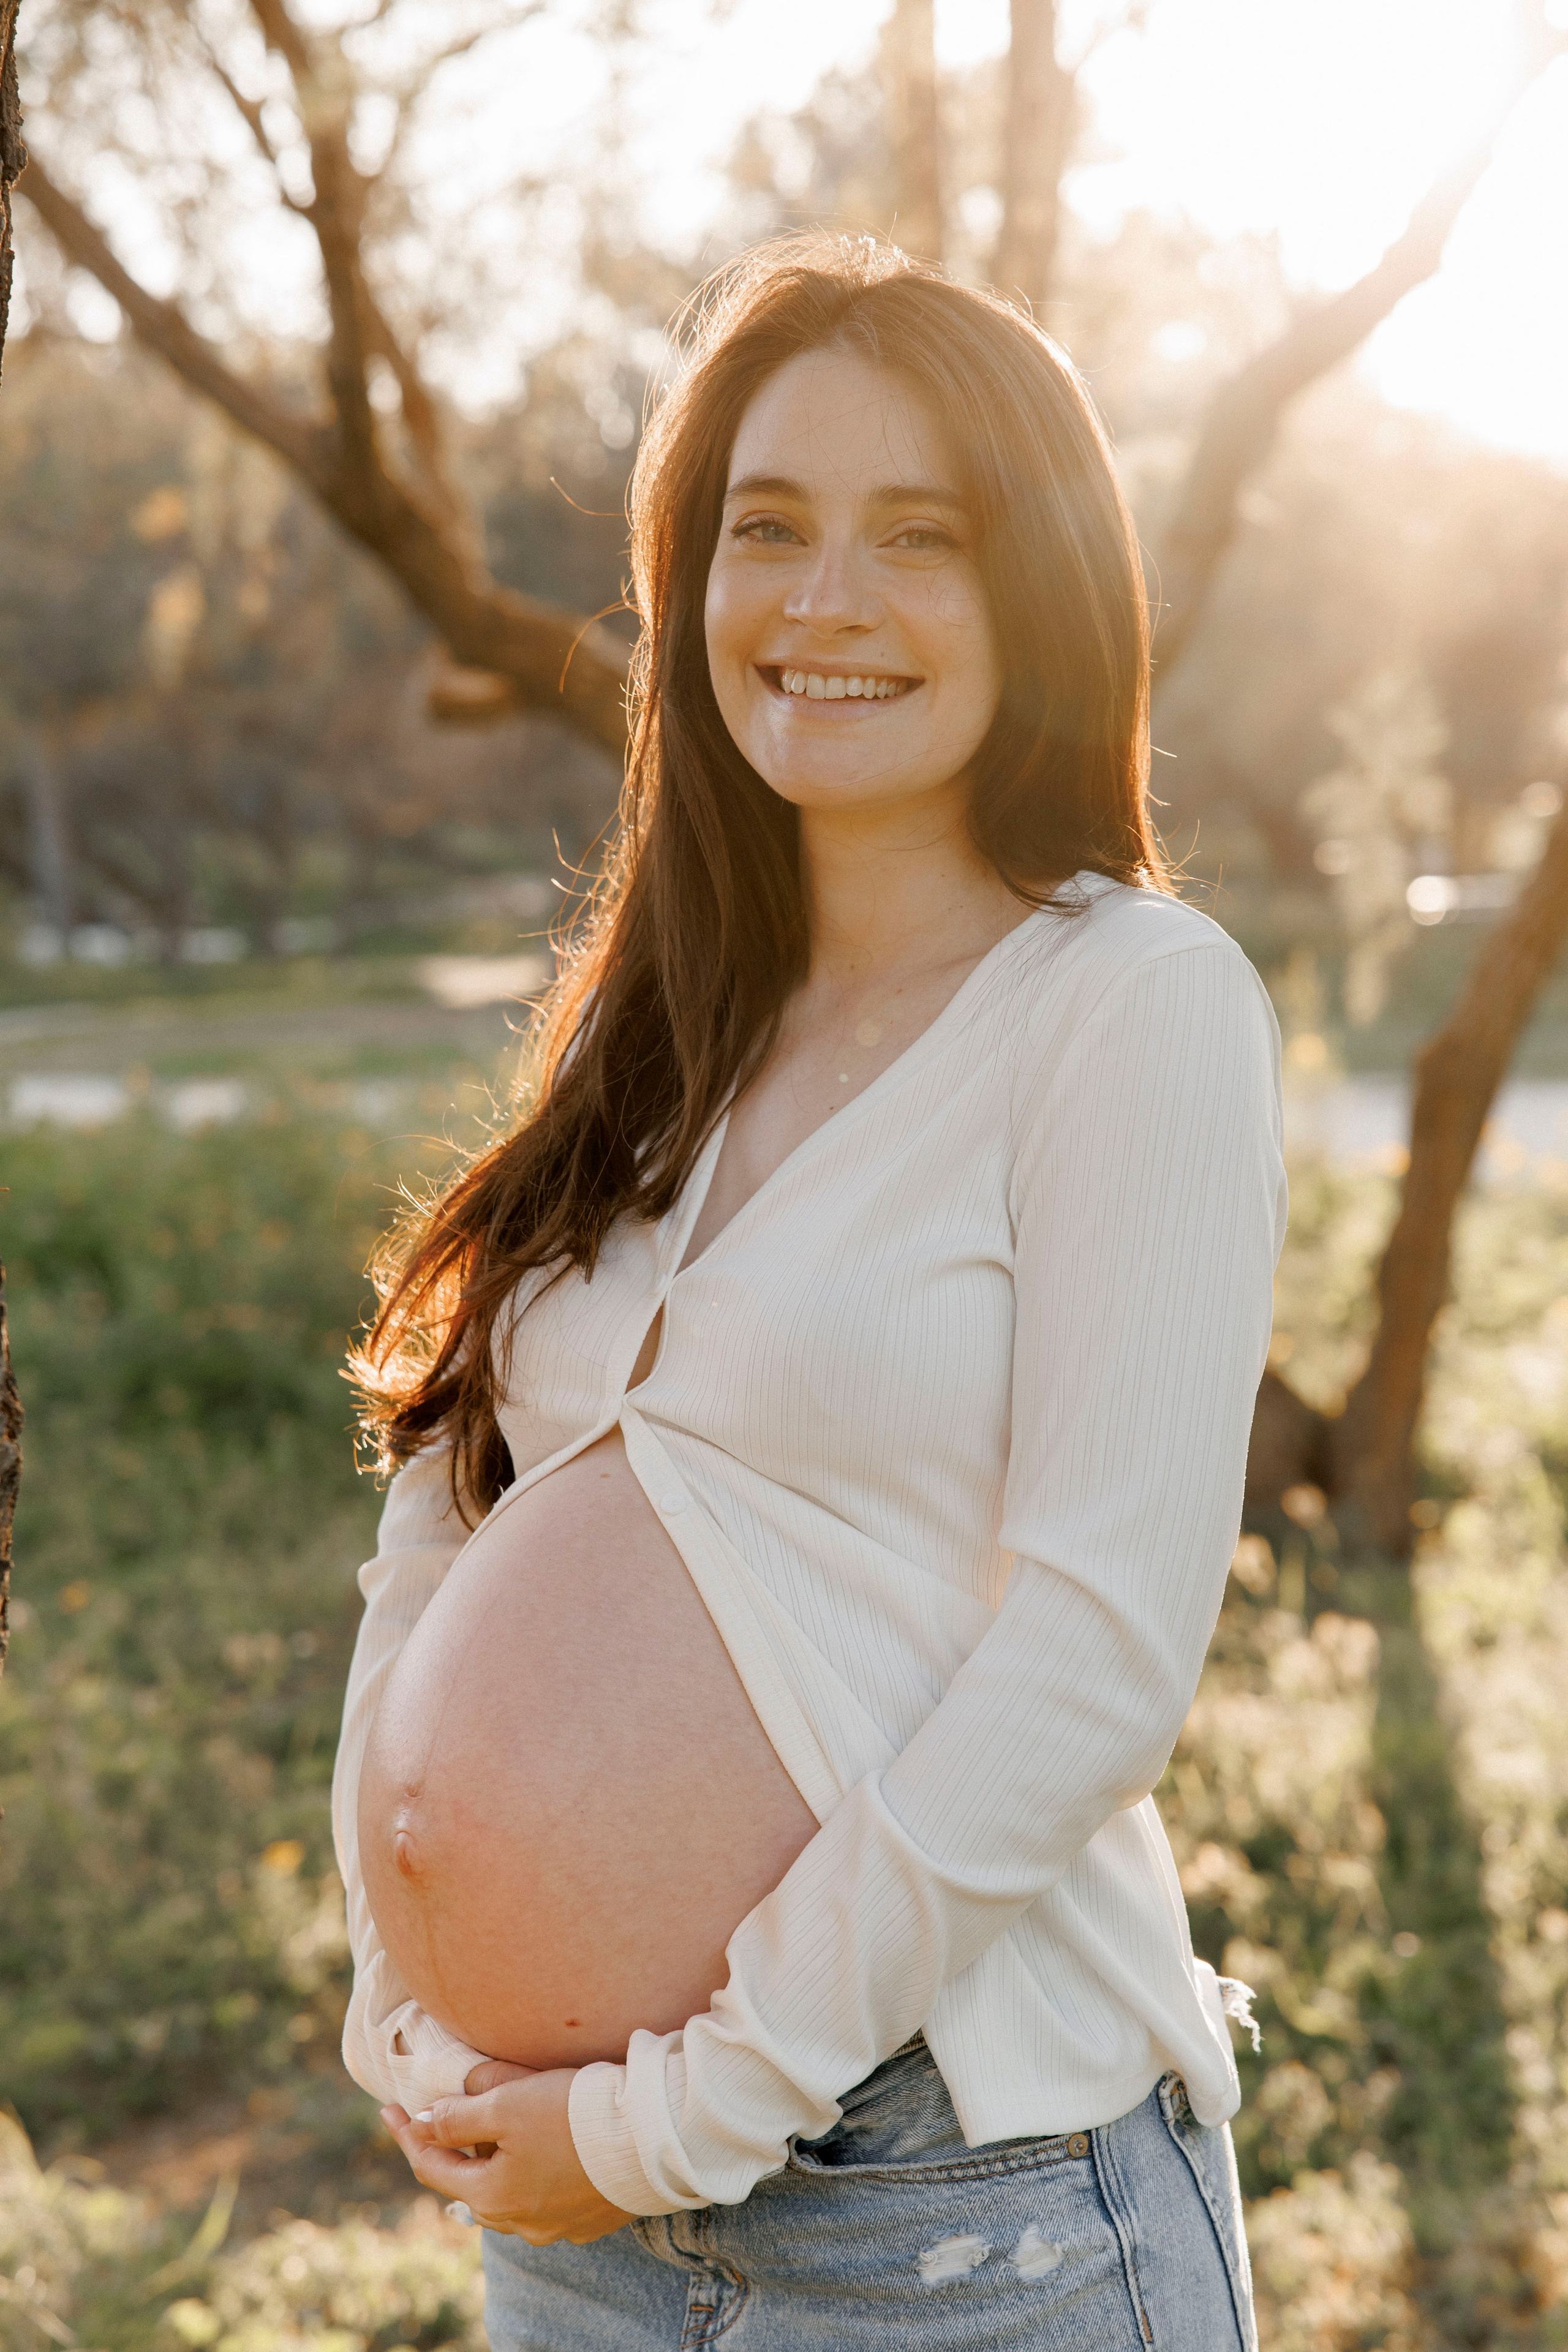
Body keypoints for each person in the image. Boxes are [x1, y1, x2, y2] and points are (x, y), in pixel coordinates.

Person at [333, 232, 1286, 2351]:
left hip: (948, 2216)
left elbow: (1096, 1658)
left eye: (916, 539)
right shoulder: (657, 1025)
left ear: (1035, 591)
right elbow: (446, 1510)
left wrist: (698, 2104)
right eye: (766, 530)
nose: (825, 601)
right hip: (563, 2209)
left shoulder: (1130, 1005)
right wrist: (403, 1982)